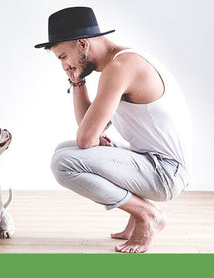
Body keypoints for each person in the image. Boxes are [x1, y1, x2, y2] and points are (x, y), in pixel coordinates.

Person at [35, 7, 192, 253]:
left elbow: (86, 139)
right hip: (154, 162)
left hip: (166, 173)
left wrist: (93, 138)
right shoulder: (122, 61)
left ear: (83, 44)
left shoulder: (119, 68)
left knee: (63, 163)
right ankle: (138, 214)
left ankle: (147, 215)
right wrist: (77, 82)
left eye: (63, 56)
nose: (65, 64)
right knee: (64, 149)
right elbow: (87, 128)